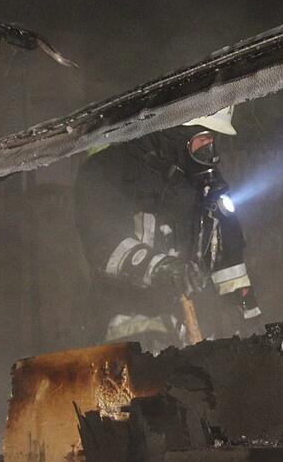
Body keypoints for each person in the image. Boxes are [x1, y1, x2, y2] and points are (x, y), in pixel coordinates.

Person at [73, 107, 260, 352]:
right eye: (203, 139)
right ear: (177, 133)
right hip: (128, 331)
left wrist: (247, 319)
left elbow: (228, 257)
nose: (210, 151)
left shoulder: (206, 183)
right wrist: (161, 268)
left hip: (194, 333)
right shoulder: (107, 169)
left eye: (213, 141)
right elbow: (102, 241)